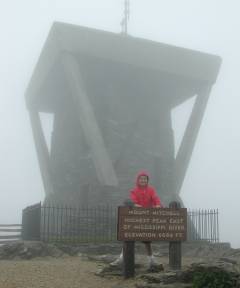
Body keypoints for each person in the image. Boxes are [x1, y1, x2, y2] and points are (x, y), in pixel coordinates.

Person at [111, 171, 163, 269]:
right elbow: (133, 202)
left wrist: (157, 205)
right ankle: (122, 258)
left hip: (147, 218)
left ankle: (151, 260)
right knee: (128, 238)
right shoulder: (134, 191)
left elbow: (156, 200)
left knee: (147, 240)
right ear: (138, 180)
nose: (143, 180)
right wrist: (137, 206)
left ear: (147, 181)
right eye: (141, 179)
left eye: (145, 179)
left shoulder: (151, 190)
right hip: (135, 219)